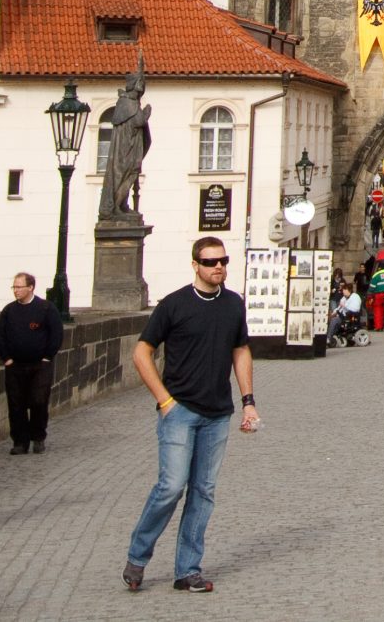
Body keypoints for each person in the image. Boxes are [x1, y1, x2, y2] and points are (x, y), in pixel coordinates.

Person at [123, 237, 259, 595]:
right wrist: (165, 401)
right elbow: (141, 353)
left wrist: (248, 401)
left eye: (223, 261)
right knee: (170, 487)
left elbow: (240, 351)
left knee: (203, 492)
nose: (218, 267)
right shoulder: (174, 304)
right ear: (195, 264)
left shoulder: (233, 304)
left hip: (218, 414)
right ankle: (137, 556)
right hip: (180, 411)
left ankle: (187, 571)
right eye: (210, 261)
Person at [0, 272, 64, 454]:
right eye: (14, 287)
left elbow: (56, 333)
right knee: (16, 403)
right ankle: (20, 441)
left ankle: (38, 437)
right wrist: (7, 358)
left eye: (19, 287)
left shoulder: (45, 308)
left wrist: (47, 356)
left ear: (30, 287)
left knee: (38, 400)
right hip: (15, 364)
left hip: (39, 365)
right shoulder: (9, 311)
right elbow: (1, 336)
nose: (16, 291)